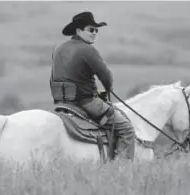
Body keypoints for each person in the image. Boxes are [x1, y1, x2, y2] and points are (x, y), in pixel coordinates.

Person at [50, 11, 135, 160]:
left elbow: (53, 77)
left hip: (61, 103)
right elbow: (106, 76)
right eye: (91, 29)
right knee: (126, 129)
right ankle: (123, 171)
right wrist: (108, 89)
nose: (95, 33)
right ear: (78, 30)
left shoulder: (58, 48)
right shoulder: (88, 50)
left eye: (96, 30)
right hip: (86, 103)